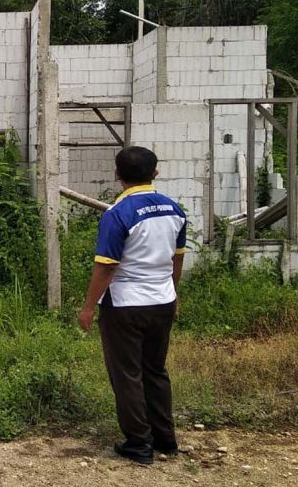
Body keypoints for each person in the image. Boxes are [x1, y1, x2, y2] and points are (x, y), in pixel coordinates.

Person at [77, 146, 186, 465]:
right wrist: (174, 294)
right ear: (155, 173)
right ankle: (165, 438)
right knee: (155, 369)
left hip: (125, 305)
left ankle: (139, 443)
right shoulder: (174, 209)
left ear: (117, 175)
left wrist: (88, 307)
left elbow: (107, 266)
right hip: (162, 301)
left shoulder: (117, 214)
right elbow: (176, 259)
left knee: (127, 374)